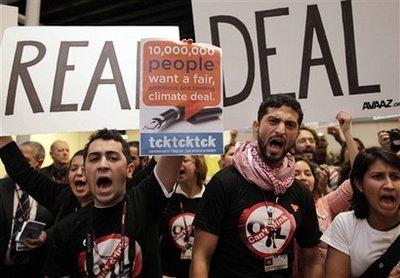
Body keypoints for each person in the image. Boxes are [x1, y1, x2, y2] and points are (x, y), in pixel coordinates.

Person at [190, 94, 322, 277]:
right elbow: (201, 256)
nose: (281, 130)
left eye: (290, 125)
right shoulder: (225, 182)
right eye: (273, 121)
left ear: (297, 133)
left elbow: (313, 261)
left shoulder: (300, 191)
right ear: (257, 126)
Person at [43, 129, 183, 277]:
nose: (103, 165)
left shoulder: (145, 201)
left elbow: (177, 139)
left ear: (129, 170)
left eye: (113, 158)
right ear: (85, 171)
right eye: (94, 159)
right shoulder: (66, 229)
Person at [321, 147, 400, 277]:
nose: (389, 185)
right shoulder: (345, 224)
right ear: (359, 184)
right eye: (378, 177)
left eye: (395, 177)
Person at [0, 141, 54, 277]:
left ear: (39, 163)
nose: (18, 165)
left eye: (25, 160)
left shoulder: (50, 192)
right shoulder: (1, 188)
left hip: (33, 269)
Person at [160, 155, 207, 278]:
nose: (178, 164)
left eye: (184, 160)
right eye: (176, 160)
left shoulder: (210, 195)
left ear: (198, 165)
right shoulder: (167, 196)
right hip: (169, 271)